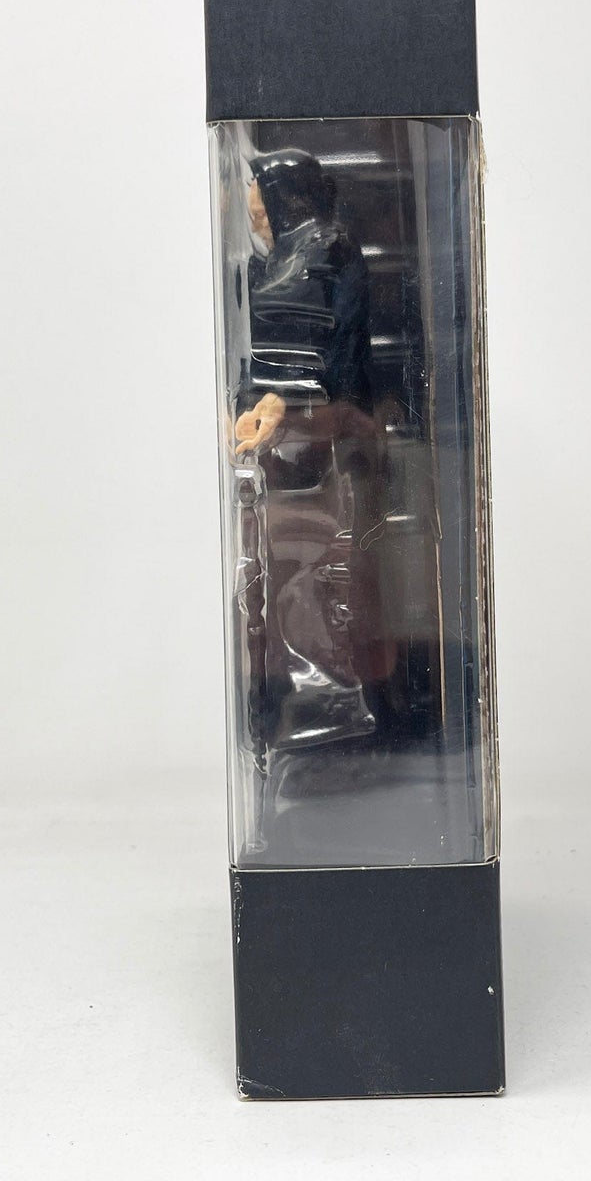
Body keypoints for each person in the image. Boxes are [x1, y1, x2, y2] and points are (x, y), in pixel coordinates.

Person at [231, 148, 382, 757]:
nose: (258, 222)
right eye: (254, 215)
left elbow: (302, 333)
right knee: (281, 578)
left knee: (320, 577)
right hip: (292, 441)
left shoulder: (324, 245)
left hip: (321, 434)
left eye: (263, 211)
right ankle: (284, 714)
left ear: (288, 202)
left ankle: (330, 715)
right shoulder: (290, 252)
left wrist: (278, 401)